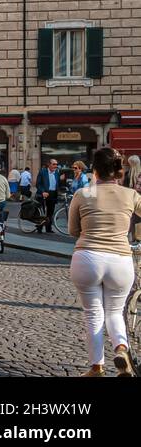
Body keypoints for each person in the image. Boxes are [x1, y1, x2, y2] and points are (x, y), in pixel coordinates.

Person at [67, 147, 141, 376]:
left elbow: (72, 230)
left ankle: (97, 367)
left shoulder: (84, 193)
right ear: (119, 170)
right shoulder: (131, 195)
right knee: (115, 312)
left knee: (93, 313)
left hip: (88, 257)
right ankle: (121, 348)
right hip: (120, 259)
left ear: (95, 169)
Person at [35, 158, 60, 234]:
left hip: (52, 194)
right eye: (54, 164)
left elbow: (57, 183)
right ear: (49, 164)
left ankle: (48, 228)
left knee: (50, 212)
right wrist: (42, 192)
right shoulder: (43, 172)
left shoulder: (57, 172)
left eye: (56, 164)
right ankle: (39, 228)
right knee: (41, 212)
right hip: (44, 193)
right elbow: (38, 184)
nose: (55, 166)